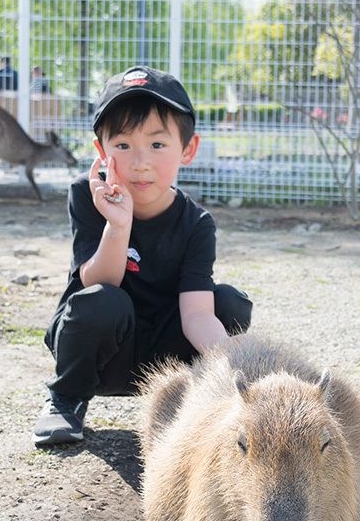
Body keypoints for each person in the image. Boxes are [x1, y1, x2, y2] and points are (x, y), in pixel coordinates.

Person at [32, 66, 253, 446]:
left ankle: (194, 401)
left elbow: (198, 315)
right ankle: (66, 400)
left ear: (188, 149)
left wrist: (241, 363)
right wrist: (118, 226)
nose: (140, 162)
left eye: (156, 144)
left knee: (228, 303)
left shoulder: (196, 223)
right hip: (102, 354)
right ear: (101, 151)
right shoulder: (88, 196)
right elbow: (97, 281)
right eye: (122, 145)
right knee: (102, 300)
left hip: (164, 356)